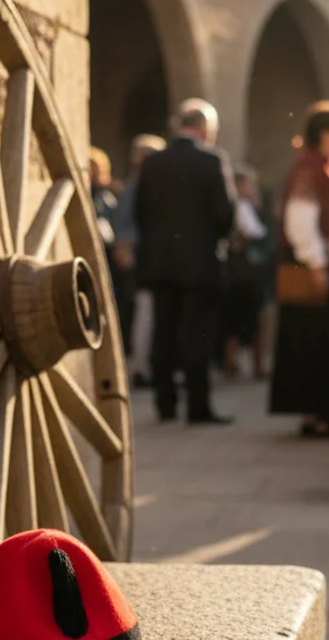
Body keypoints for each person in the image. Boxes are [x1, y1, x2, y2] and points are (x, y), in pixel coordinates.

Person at [135, 100, 236, 425]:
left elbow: (141, 212)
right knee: (197, 335)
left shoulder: (153, 163)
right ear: (204, 129)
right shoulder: (211, 160)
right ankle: (197, 406)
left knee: (163, 332)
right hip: (200, 264)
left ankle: (165, 403)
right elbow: (224, 214)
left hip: (160, 263)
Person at [269, 102, 329, 438]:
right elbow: (300, 220)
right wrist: (317, 263)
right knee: (317, 341)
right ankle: (318, 414)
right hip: (318, 268)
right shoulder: (310, 169)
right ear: (325, 134)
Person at [118, 134, 167, 389]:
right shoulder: (134, 189)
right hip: (143, 257)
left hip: (150, 256)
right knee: (144, 312)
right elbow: (126, 225)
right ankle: (140, 366)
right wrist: (126, 250)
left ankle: (147, 364)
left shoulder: (144, 187)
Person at [220, 164, 270, 379]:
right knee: (248, 318)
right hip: (244, 270)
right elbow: (255, 231)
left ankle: (232, 363)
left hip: (237, 269)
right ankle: (247, 365)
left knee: (236, 318)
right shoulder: (241, 205)